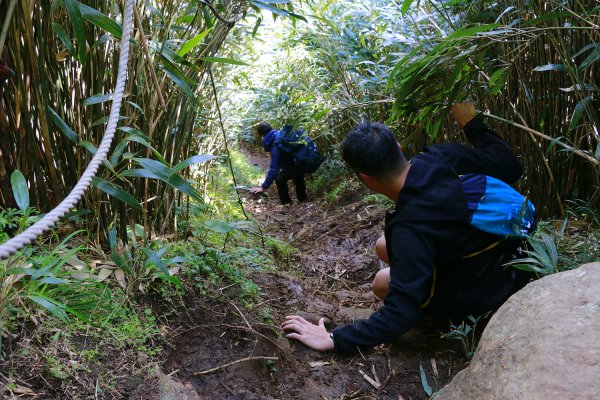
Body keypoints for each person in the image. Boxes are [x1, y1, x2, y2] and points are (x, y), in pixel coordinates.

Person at [281, 103, 533, 353]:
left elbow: (401, 313)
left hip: (499, 283)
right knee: (383, 245)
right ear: (399, 148)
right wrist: (471, 124)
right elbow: (510, 165)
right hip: (515, 249)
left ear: (365, 179)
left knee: (383, 283)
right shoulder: (442, 156)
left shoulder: (412, 228)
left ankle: (445, 320)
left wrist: (335, 339)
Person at [250, 122, 307, 205]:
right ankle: (302, 198)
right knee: (298, 174)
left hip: (295, 166)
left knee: (279, 178)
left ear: (263, 135)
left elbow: (274, 170)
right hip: (301, 163)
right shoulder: (281, 135)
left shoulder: (275, 144)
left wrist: (263, 187)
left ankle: (286, 202)